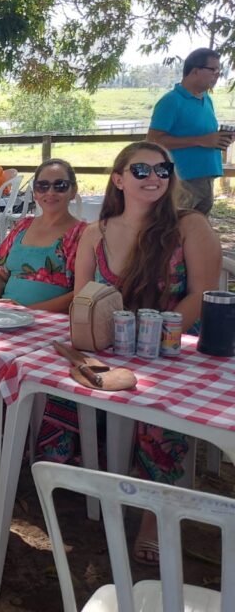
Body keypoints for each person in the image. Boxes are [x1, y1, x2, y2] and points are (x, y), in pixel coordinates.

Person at [74, 141, 221, 564]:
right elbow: (84, 297)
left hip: (171, 349)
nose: (154, 177)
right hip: (108, 345)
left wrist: (153, 337)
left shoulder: (190, 226)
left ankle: (154, 516)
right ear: (118, 179)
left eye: (162, 169)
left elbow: (202, 295)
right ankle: (85, 486)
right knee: (51, 390)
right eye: (141, 170)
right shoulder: (95, 232)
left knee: (159, 413)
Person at [0, 159, 85, 311]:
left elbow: (81, 294)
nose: (50, 192)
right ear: (35, 193)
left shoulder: (81, 234)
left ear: (73, 190)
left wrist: (27, 312)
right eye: (42, 186)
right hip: (6, 318)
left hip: (51, 323)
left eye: (60, 186)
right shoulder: (22, 226)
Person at [147, 47, 231, 215]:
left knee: (196, 232)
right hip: (182, 181)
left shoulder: (207, 99)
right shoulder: (171, 101)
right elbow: (153, 140)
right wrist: (200, 140)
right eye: (213, 69)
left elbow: (207, 137)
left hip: (206, 178)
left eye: (219, 70)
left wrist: (220, 139)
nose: (217, 74)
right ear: (195, 71)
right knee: (173, 230)